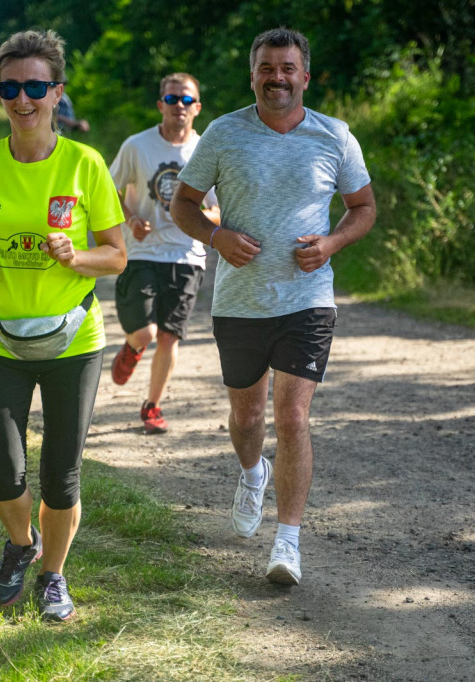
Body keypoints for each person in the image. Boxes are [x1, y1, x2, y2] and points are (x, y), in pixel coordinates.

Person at [171, 28, 376, 585]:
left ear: (305, 77)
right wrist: (216, 239)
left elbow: (363, 207)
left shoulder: (335, 137)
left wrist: (331, 245)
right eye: (267, 68)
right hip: (238, 302)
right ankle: (250, 470)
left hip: (307, 300)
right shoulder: (223, 133)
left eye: (288, 68)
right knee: (247, 418)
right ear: (253, 74)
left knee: (292, 417)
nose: (277, 78)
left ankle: (288, 542)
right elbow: (183, 203)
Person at [0, 29, 126, 621]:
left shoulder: (85, 164)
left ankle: (53, 576)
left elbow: (116, 255)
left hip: (74, 338)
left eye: (36, 87)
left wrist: (76, 258)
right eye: (11, 88)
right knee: (2, 474)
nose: (24, 100)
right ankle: (22, 544)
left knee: (60, 476)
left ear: (56, 92)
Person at [108, 72, 220, 434]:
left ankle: (152, 405)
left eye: (187, 100)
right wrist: (130, 218)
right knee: (145, 333)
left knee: (170, 336)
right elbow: (107, 191)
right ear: (161, 105)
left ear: (197, 108)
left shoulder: (206, 151)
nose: (179, 106)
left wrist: (195, 216)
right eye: (172, 100)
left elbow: (221, 211)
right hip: (141, 252)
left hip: (187, 255)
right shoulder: (136, 146)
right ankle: (131, 347)